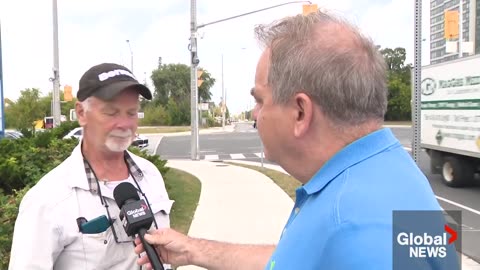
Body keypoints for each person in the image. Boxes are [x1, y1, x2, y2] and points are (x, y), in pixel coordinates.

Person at [133, 10, 460, 270]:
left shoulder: (355, 232)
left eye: (260, 100)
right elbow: (299, 260)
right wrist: (193, 250)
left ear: (300, 112)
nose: (255, 115)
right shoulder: (382, 173)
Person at [8, 63, 174, 270]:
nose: (124, 124)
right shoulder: (46, 200)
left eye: (131, 113)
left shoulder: (150, 175)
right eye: (111, 113)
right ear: (81, 113)